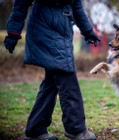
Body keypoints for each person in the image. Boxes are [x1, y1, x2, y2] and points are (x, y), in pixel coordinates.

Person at [4, 0, 100, 140]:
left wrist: (88, 31)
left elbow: (77, 7)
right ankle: (75, 129)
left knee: (51, 82)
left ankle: (35, 129)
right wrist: (13, 32)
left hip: (63, 29)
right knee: (67, 76)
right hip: (43, 27)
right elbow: (21, 3)